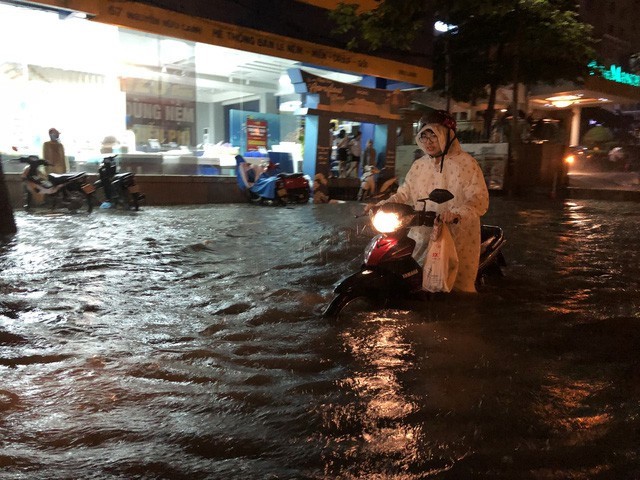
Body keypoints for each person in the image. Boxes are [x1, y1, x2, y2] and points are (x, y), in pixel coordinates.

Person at [372, 110, 489, 293]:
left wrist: (457, 213)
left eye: (434, 135)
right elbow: (405, 193)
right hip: (422, 233)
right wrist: (381, 206)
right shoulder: (419, 165)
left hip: (457, 235)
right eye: (424, 136)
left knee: (457, 291)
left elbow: (478, 200)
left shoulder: (467, 164)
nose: (428, 142)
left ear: (448, 135)